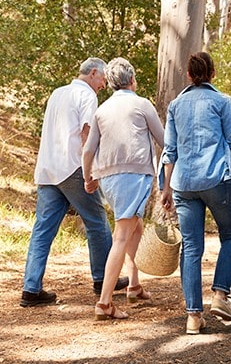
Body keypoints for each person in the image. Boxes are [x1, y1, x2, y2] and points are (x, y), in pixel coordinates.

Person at [160, 52, 231, 335]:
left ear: (189, 75)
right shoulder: (222, 102)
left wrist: (165, 188)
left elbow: (170, 151)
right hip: (217, 178)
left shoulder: (176, 105)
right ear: (213, 74)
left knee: (192, 247)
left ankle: (193, 316)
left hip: (183, 184)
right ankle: (220, 295)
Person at [21, 57, 128, 308]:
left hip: (48, 170)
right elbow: (86, 134)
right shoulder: (87, 95)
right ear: (92, 73)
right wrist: (91, 172)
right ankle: (103, 278)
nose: (103, 84)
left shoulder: (57, 93)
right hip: (72, 168)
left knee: (42, 230)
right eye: (102, 78)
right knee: (97, 223)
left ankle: (31, 288)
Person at [82, 57, 164, 320]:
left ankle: (134, 285)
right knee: (121, 236)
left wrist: (88, 178)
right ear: (132, 80)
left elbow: (88, 150)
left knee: (134, 228)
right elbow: (165, 141)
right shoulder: (142, 104)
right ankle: (104, 303)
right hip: (134, 176)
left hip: (108, 178)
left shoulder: (102, 109)